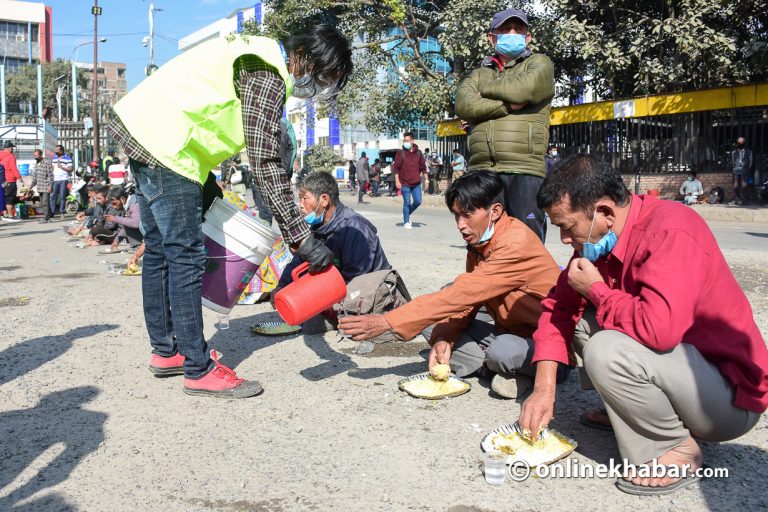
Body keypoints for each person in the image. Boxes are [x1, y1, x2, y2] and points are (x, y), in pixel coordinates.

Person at [108, 24, 353, 398]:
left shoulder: (254, 51)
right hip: (169, 146)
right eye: (323, 76)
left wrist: (207, 187)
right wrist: (302, 240)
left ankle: (167, 351)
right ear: (305, 55)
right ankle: (198, 367)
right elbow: (265, 161)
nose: (316, 86)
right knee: (185, 255)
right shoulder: (267, 72)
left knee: (158, 250)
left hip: (147, 131)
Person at [518, 154, 768, 495]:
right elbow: (556, 311)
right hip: (684, 377)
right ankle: (631, 413)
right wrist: (543, 390)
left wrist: (596, 290)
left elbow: (658, 330)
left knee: (605, 348)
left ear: (604, 213)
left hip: (726, 400)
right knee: (580, 323)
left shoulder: (670, 228)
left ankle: (674, 448)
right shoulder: (597, 243)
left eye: (566, 226)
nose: (563, 238)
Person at [339, 171, 563, 398]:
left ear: (494, 211)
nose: (460, 225)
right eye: (456, 216)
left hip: (546, 343)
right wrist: (446, 336)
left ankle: (501, 367)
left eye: (467, 215)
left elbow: (462, 295)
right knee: (431, 325)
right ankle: (497, 370)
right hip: (506, 329)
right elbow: (469, 301)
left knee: (502, 350)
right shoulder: (480, 242)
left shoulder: (515, 242)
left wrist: (386, 321)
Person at [455, 7, 555, 242]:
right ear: (492, 37)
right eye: (505, 29)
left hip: (524, 167)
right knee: (484, 240)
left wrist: (486, 93)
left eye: (518, 29)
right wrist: (509, 105)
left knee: (526, 240)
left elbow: (525, 89)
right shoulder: (479, 73)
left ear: (528, 37)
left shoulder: (539, 64)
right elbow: (463, 104)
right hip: (482, 169)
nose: (512, 33)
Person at [272, 171, 391, 333]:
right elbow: (299, 261)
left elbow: (358, 277)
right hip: (339, 287)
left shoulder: (354, 227)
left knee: (312, 323)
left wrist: (318, 297)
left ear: (324, 200)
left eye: (304, 198)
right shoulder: (318, 226)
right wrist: (282, 286)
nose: (300, 204)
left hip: (369, 291)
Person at [392, 132, 428, 229]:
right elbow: (396, 168)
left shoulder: (419, 153)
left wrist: (426, 179)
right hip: (405, 183)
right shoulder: (401, 153)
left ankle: (406, 214)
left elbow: (423, 167)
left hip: (416, 183)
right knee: (407, 202)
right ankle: (406, 221)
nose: (406, 142)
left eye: (407, 141)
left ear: (412, 141)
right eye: (404, 141)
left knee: (418, 202)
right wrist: (397, 181)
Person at [30, 149, 53, 223]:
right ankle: (48, 217)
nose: (35, 157)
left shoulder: (47, 162)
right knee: (43, 203)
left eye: (36, 155)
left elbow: (50, 175)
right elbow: (35, 177)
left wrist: (50, 185)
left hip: (46, 186)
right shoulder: (37, 164)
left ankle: (45, 218)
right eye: (34, 156)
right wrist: (30, 186)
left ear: (40, 154)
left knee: (45, 202)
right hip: (40, 187)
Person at [50, 145, 73, 219]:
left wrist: (62, 167)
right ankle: (52, 212)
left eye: (58, 150)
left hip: (63, 179)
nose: (56, 151)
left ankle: (62, 212)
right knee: (53, 196)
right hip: (55, 179)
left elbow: (70, 169)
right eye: (56, 150)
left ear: (62, 151)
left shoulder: (67, 158)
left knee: (62, 196)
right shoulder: (54, 158)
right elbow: (52, 168)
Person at [0, 141, 21, 220]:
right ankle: (10, 216)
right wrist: (19, 178)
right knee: (10, 198)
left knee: (3, 197)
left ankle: (4, 215)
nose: (12, 149)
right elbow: (14, 168)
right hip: (10, 180)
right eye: (12, 147)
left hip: (2, 180)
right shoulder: (11, 156)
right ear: (10, 148)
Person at [730, 137, 753, 205]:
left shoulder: (749, 152)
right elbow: (733, 161)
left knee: (744, 185)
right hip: (736, 171)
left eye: (742, 141)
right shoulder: (734, 152)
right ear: (737, 143)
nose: (740, 142)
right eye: (739, 141)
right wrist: (735, 167)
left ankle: (744, 200)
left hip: (744, 170)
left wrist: (746, 168)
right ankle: (736, 199)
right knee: (735, 186)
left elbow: (751, 161)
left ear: (744, 142)